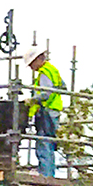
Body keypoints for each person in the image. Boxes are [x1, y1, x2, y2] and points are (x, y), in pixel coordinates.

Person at [27, 49, 66, 178]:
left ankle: (46, 174)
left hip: (46, 111)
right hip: (53, 110)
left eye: (31, 64)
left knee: (43, 143)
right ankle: (49, 173)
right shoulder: (52, 70)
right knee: (49, 143)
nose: (31, 67)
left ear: (38, 59)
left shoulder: (44, 73)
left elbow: (46, 93)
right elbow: (63, 86)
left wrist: (33, 99)